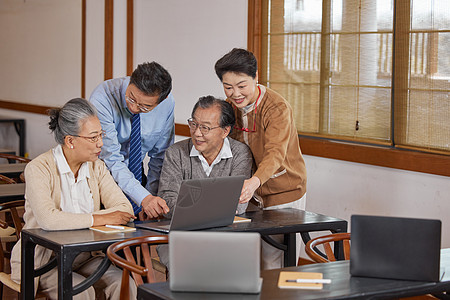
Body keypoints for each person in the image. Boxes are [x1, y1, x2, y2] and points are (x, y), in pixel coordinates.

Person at [10, 98, 137, 299]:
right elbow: (49, 220)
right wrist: (101, 218)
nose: (100, 143)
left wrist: (76, 219)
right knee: (81, 292)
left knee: (125, 285)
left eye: (101, 135)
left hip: (85, 257)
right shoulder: (38, 168)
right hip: (44, 261)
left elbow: (124, 209)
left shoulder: (97, 166)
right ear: (70, 141)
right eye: (93, 137)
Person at [215, 48, 307, 270]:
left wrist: (254, 182)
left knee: (274, 260)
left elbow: (275, 153)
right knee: (247, 259)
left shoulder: (277, 108)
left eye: (242, 86)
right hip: (252, 195)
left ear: (256, 77)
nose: (235, 93)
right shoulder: (230, 106)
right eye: (228, 87)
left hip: (284, 191)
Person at [156, 95, 253, 268]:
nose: (197, 133)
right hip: (181, 237)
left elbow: (238, 205)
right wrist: (214, 209)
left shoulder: (240, 154)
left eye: (205, 128)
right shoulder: (176, 153)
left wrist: (191, 210)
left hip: (226, 237)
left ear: (225, 131)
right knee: (187, 267)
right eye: (194, 124)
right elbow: (168, 201)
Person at [89, 61, 174, 219]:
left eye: (145, 107)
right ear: (130, 82)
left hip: (136, 172)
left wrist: (150, 197)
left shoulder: (167, 104)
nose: (134, 108)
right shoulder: (103, 97)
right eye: (131, 99)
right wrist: (144, 198)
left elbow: (160, 157)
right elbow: (111, 159)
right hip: (102, 174)